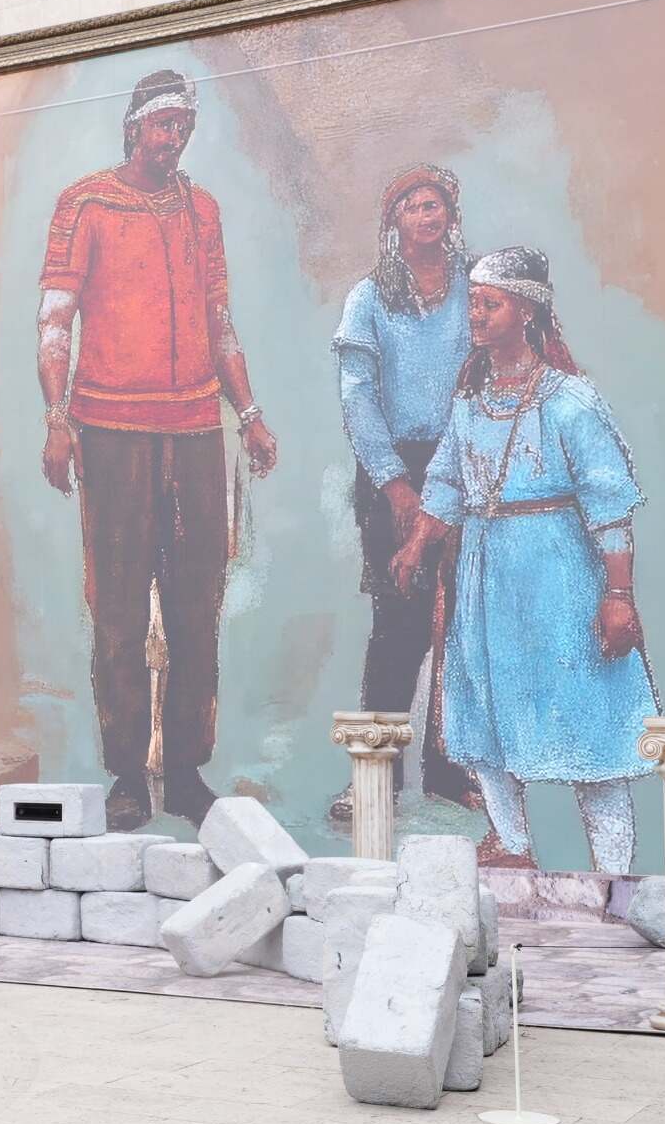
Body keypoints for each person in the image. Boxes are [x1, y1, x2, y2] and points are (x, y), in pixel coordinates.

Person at [37, 68, 278, 829]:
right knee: (115, 608)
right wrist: (56, 418)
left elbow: (221, 320)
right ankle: (127, 779)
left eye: (183, 125)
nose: (172, 138)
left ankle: (183, 768)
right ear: (134, 127)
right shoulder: (85, 202)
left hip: (196, 430)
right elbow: (55, 319)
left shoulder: (201, 210)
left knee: (196, 605)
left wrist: (251, 412)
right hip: (109, 431)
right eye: (161, 124)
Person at [389, 246, 657, 873]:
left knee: (588, 720)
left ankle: (613, 876)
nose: (476, 315)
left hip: (559, 574)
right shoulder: (470, 401)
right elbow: (448, 486)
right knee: (482, 708)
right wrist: (419, 539)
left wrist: (618, 597)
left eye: (490, 303)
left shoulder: (571, 401)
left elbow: (610, 503)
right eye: (473, 303)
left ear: (527, 312)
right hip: (487, 577)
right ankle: (512, 845)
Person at [331, 165, 481, 822]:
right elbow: (357, 397)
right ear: (393, 222)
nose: (427, 216)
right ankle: (374, 778)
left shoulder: (476, 288)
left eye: (436, 205)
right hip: (397, 466)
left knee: (464, 623)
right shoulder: (369, 297)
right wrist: (395, 487)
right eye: (413, 207)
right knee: (399, 625)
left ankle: (450, 771)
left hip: (470, 466)